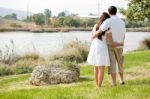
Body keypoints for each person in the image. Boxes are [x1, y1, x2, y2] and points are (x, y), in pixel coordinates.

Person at [87, 12, 123, 87]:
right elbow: (110, 42)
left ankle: (97, 85)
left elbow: (92, 36)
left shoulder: (94, 26)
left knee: (96, 68)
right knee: (101, 68)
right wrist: (120, 43)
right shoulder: (108, 29)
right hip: (102, 47)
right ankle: (99, 86)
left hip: (94, 46)